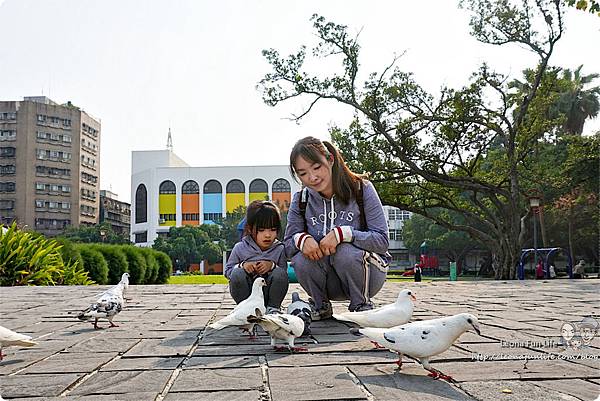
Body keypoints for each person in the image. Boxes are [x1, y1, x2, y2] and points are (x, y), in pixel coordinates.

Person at [284, 136, 391, 320]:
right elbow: (287, 246)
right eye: (303, 173)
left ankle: (362, 306)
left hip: (367, 274)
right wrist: (301, 239)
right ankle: (320, 305)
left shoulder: (361, 189)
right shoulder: (301, 199)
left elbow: (381, 241)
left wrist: (344, 234)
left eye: (317, 167)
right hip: (326, 279)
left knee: (345, 251)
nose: (312, 177)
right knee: (302, 258)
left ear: (330, 159)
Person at [225, 200, 289, 314]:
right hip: (248, 294)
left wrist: (272, 266)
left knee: (280, 273)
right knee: (237, 274)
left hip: (268, 293)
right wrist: (243, 266)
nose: (268, 235)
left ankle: (273, 308)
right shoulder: (240, 248)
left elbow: (283, 273)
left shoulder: (279, 249)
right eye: (261, 230)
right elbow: (228, 271)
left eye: (273, 230)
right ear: (250, 229)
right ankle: (245, 310)